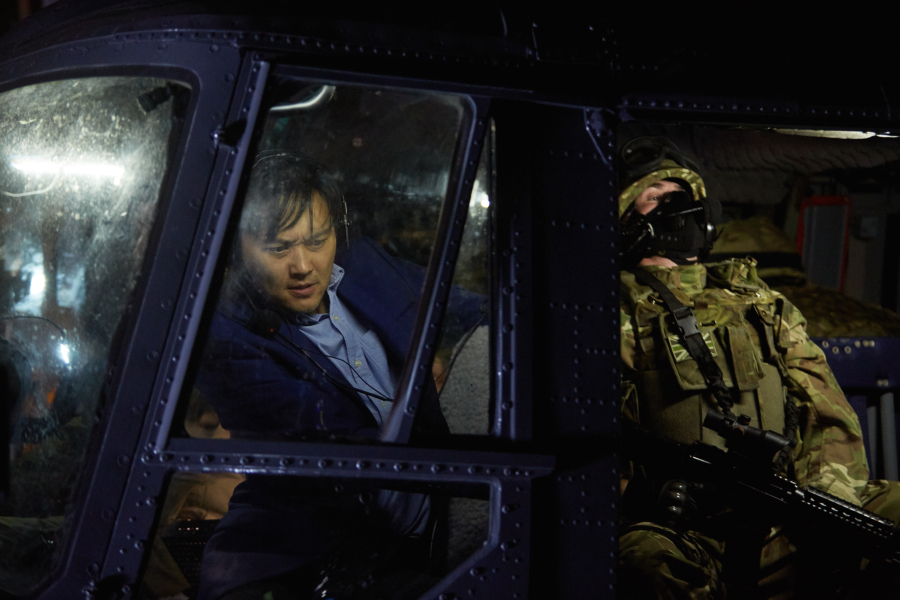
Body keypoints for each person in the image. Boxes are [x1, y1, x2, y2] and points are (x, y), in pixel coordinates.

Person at [616, 138, 900, 599]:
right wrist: (638, 494)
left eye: (681, 194)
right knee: (645, 560)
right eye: (656, 196)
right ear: (628, 220)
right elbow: (581, 441)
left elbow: (825, 413)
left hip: (784, 514)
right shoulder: (612, 312)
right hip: (686, 530)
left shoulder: (762, 305)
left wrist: (829, 502)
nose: (675, 205)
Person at [194, 153, 482, 600]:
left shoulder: (365, 266)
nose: (303, 265)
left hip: (420, 536)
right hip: (303, 563)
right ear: (238, 250)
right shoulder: (225, 336)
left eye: (317, 240)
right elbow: (338, 441)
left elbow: (469, 308)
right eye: (278, 248)